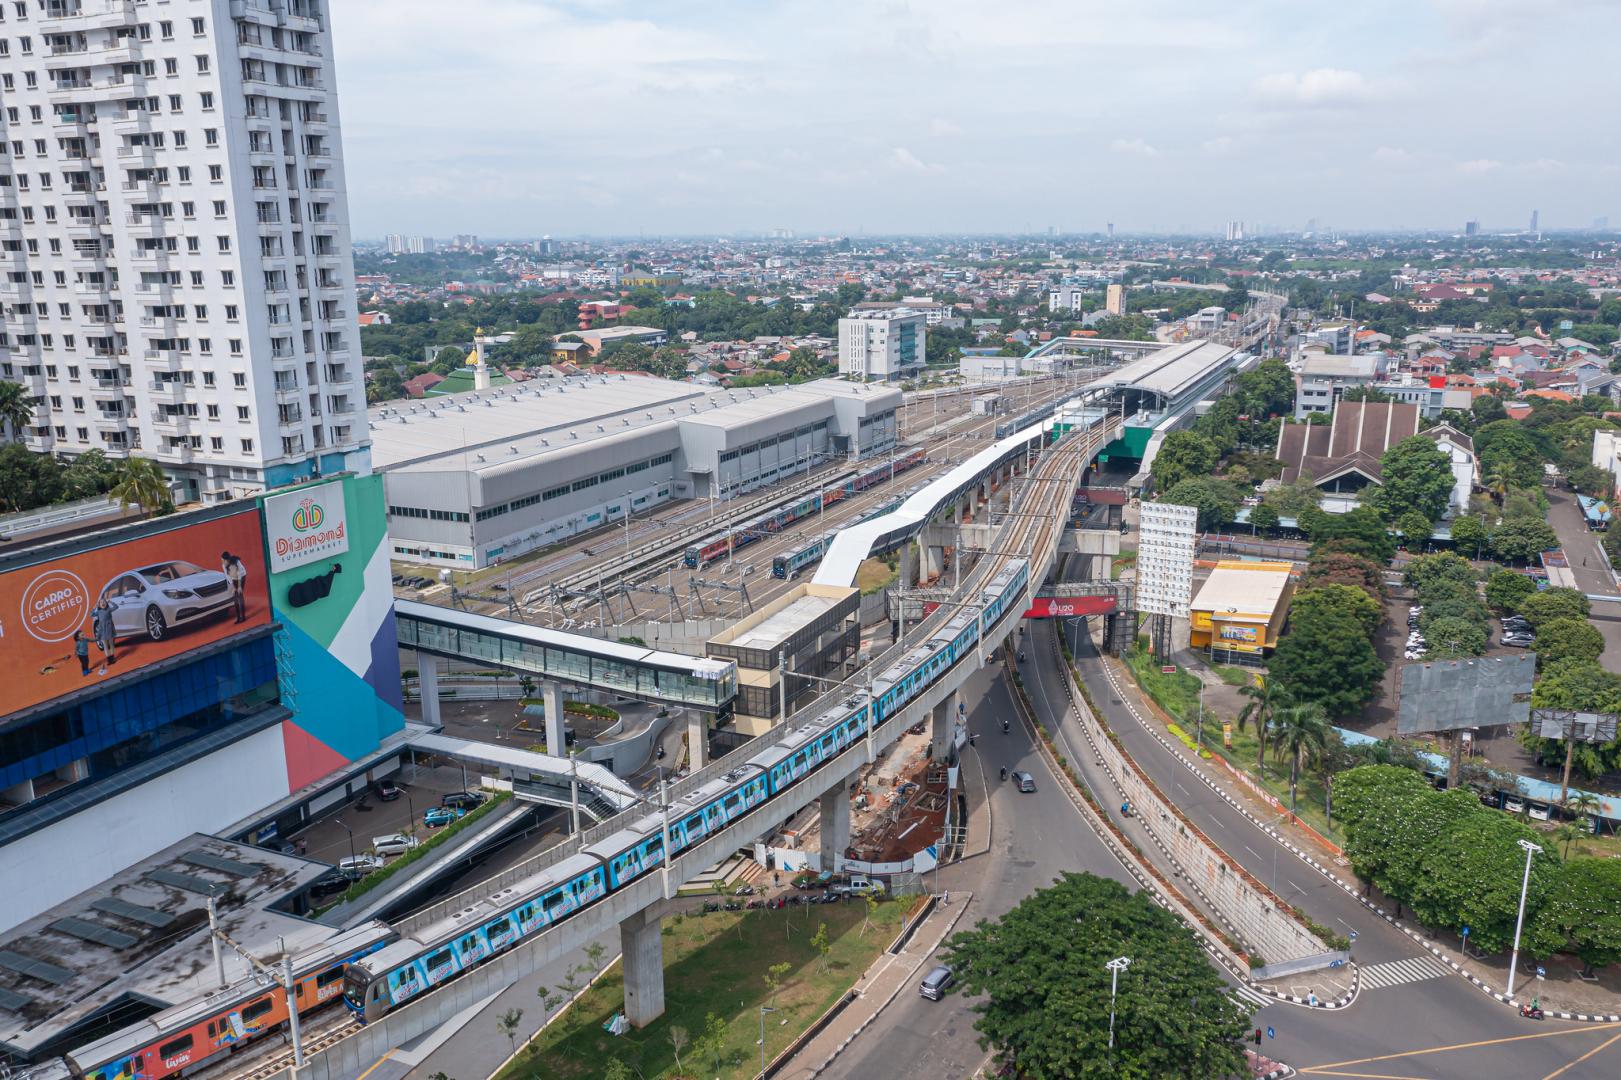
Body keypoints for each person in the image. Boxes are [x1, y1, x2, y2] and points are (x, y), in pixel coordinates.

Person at [91, 598, 117, 673]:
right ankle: (109, 659)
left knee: (111, 644)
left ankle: (112, 658)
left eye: (104, 602)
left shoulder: (109, 609)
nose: (102, 603)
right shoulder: (98, 611)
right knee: (105, 645)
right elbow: (91, 614)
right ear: (99, 605)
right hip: (102, 630)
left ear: (106, 603)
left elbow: (116, 607)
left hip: (109, 628)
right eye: (100, 602)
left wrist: (110, 601)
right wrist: (94, 607)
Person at [221, 551, 248, 623]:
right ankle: (238, 617)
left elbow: (239, 574)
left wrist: (239, 587)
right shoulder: (224, 565)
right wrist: (233, 587)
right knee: (235, 597)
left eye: (223, 560)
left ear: (226, 560)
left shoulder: (236, 562)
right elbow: (228, 577)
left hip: (241, 576)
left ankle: (243, 616)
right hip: (234, 578)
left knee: (240, 595)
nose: (222, 562)